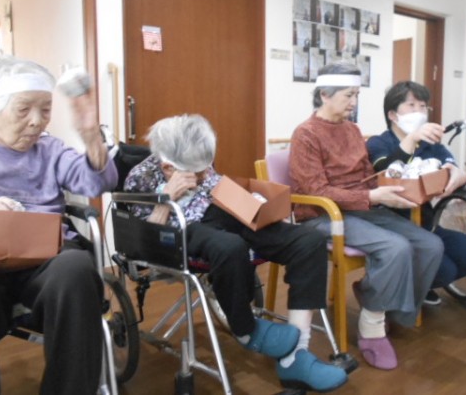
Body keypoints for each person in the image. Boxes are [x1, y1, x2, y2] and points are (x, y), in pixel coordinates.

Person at [124, 114, 349, 393]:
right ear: (169, 168)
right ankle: (244, 330)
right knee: (230, 247)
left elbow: (219, 187)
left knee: (309, 240)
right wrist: (166, 199)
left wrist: (256, 205)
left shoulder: (199, 160)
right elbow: (146, 241)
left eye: (207, 168)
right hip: (183, 229)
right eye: (198, 172)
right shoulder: (141, 178)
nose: (205, 174)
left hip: (222, 212)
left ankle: (296, 356)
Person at [0, 56, 118, 395]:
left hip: (43, 258)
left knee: (76, 268)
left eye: (46, 109)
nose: (37, 122)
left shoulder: (50, 148)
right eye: (24, 109)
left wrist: (91, 137)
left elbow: (99, 182)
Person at [289, 62, 443, 371]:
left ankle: (383, 305)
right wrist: (372, 197)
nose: (354, 102)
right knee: (395, 248)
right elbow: (316, 190)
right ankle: (372, 327)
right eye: (348, 95)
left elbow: (366, 175)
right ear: (324, 95)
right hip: (322, 214)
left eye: (356, 95)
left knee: (431, 245)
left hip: (361, 208)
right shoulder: (305, 134)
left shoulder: (352, 129)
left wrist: (393, 189)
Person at [366, 81, 466, 305]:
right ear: (393, 115)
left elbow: (452, 169)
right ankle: (412, 286)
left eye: (423, 106)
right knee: (445, 269)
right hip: (394, 228)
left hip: (428, 225)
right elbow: (387, 171)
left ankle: (422, 284)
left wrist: (459, 174)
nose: (419, 112)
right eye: (411, 105)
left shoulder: (431, 145)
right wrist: (411, 139)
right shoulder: (378, 143)